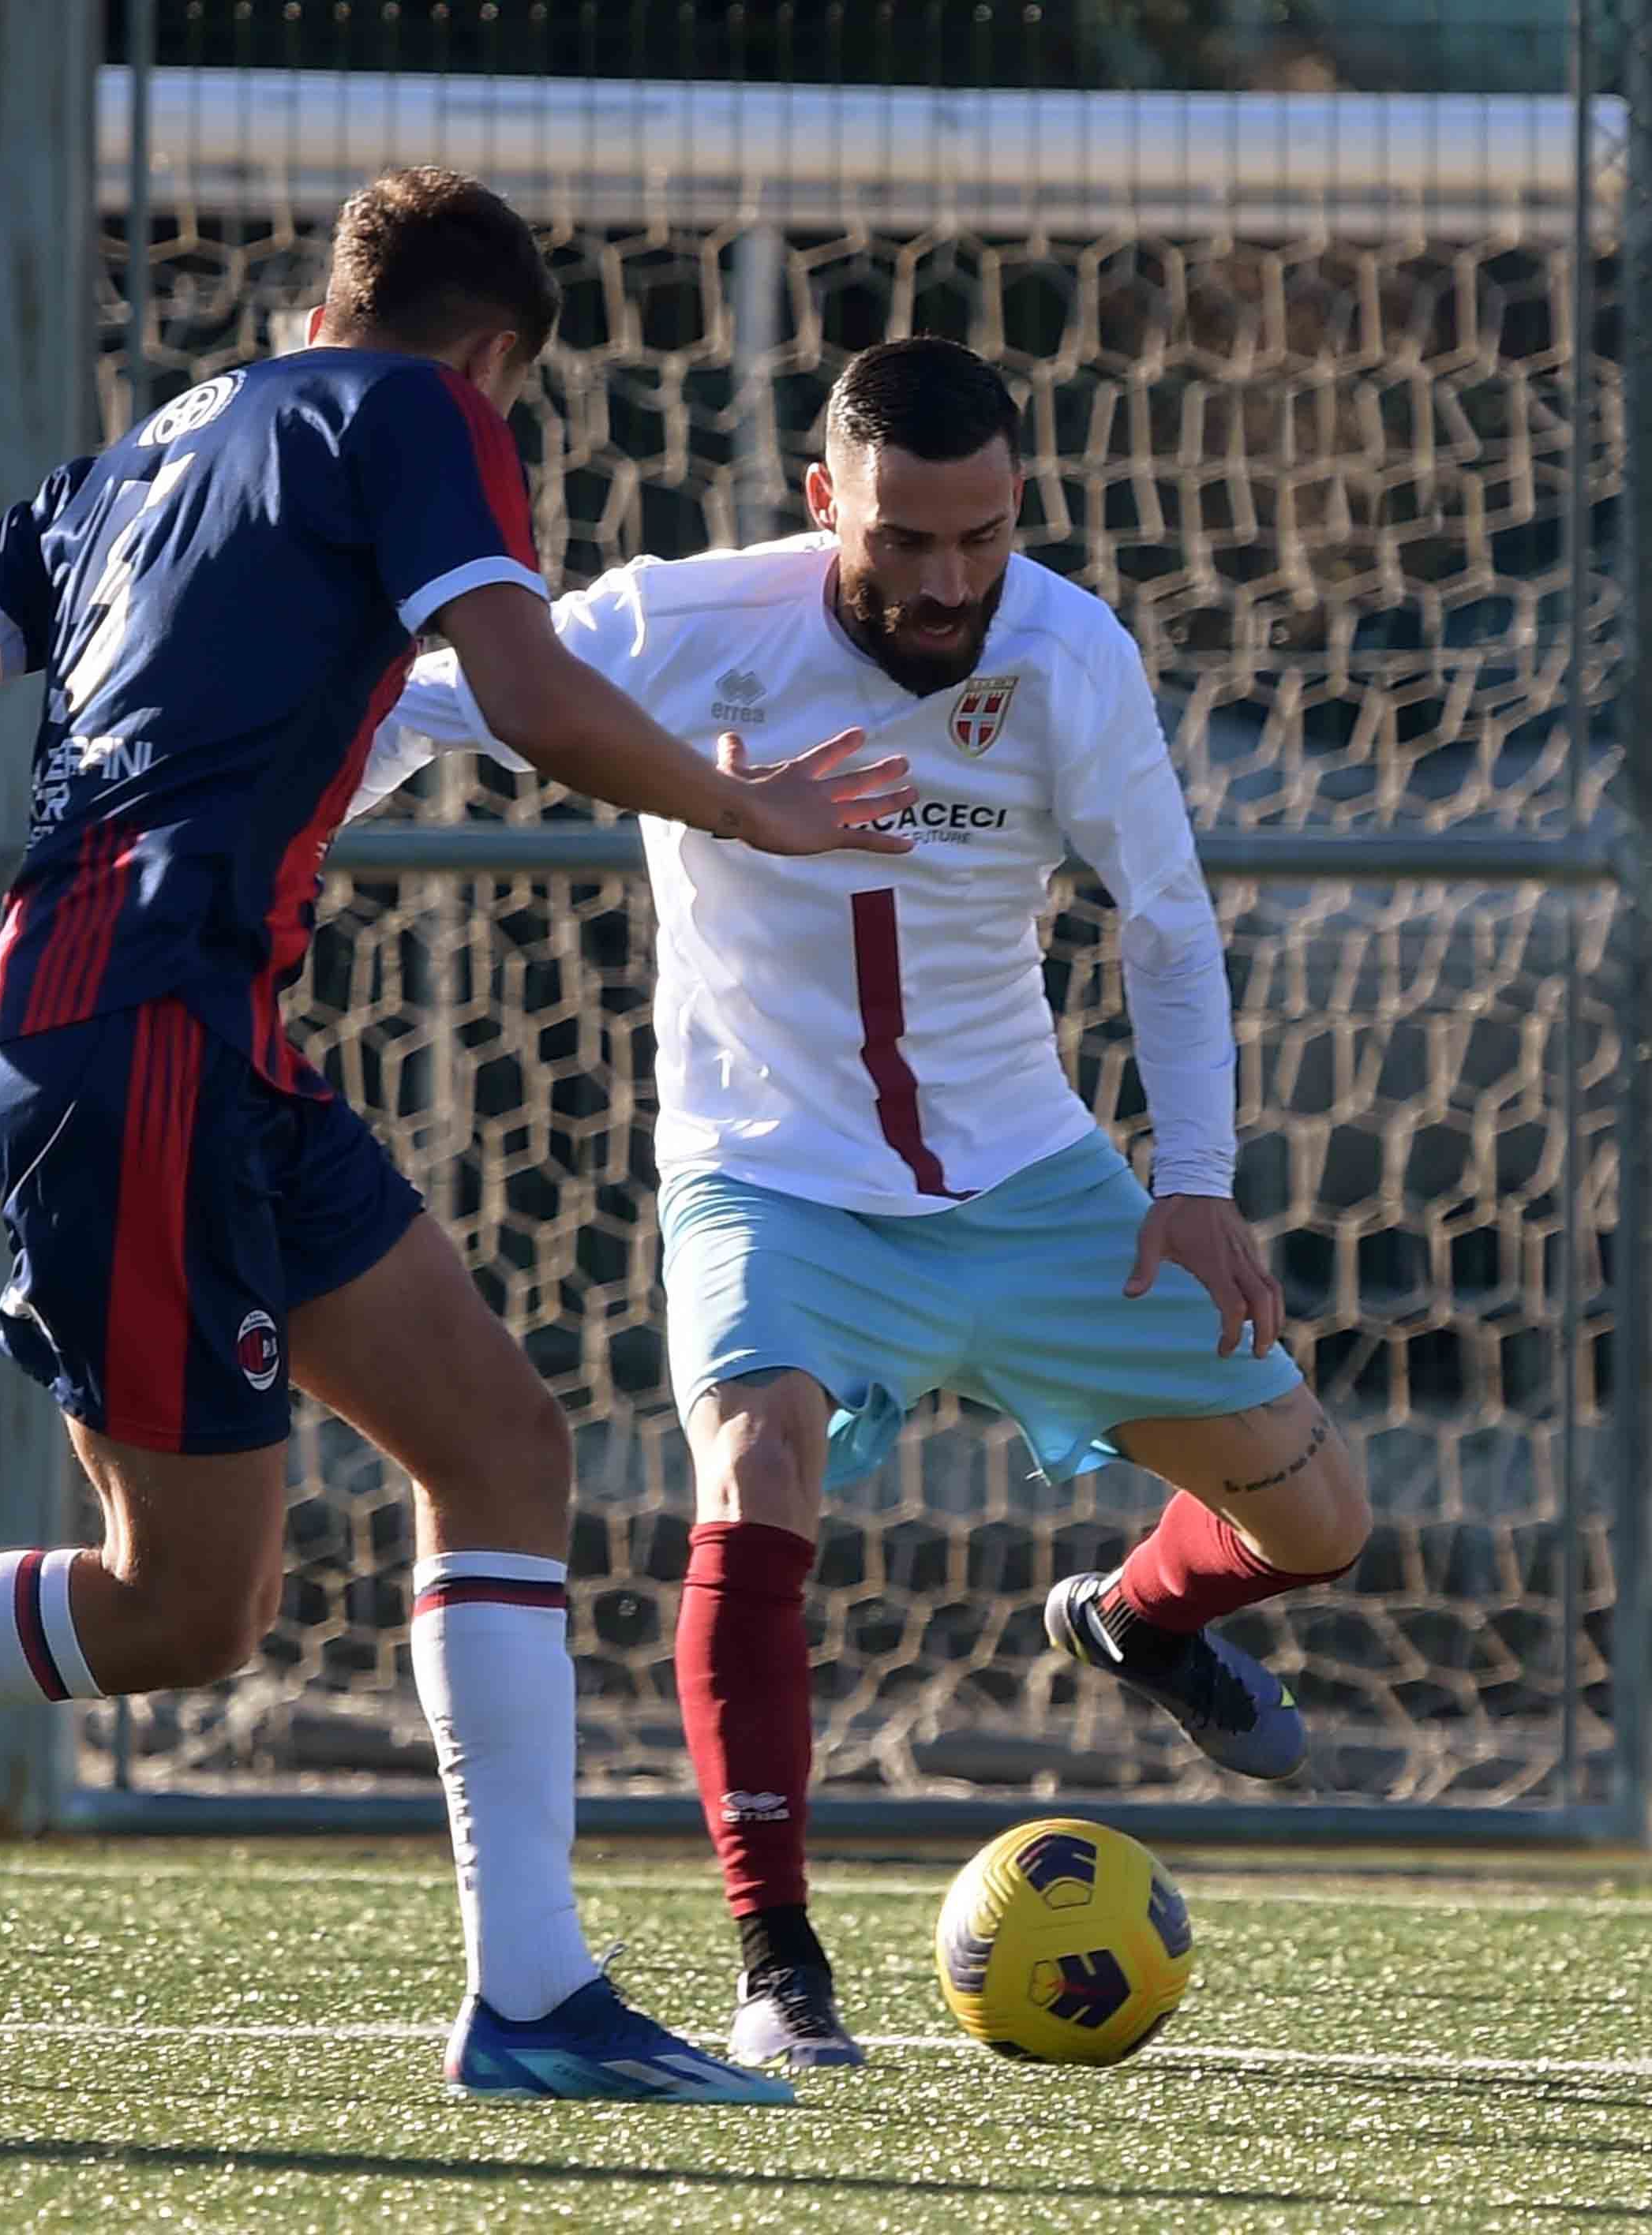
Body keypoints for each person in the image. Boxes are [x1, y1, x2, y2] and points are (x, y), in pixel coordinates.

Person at [0, 166, 916, 2106]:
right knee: (182, 1605)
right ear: (495, 356)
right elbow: (527, 695)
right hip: (140, 1036)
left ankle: (536, 1999)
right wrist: (741, 804)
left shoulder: (141, 457)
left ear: (321, 305)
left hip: (193, 1036)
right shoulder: (421, 413)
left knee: (501, 1447)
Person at [351, 335, 1373, 2072]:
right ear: (825, 500)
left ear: (1021, 506)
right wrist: (279, 835)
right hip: (771, 1176)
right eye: (905, 540)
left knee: (1322, 1526)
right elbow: (429, 701)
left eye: (983, 537)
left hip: (1033, 1179)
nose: (950, 582)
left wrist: (1194, 1184)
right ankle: (779, 1964)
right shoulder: (686, 622)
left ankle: (1134, 1619)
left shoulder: (1069, 651)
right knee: (755, 1461)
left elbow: (1165, 922)